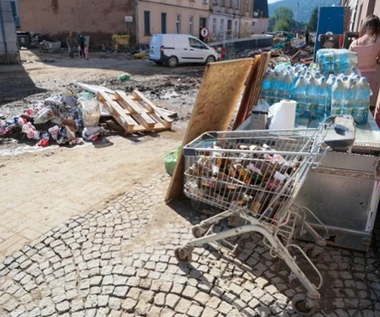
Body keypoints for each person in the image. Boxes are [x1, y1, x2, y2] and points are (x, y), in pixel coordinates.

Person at [349, 15, 380, 119]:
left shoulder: (354, 43)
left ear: (365, 26)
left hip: (356, 79)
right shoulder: (378, 42)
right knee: (367, 113)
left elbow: (349, 63)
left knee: (354, 109)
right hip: (371, 80)